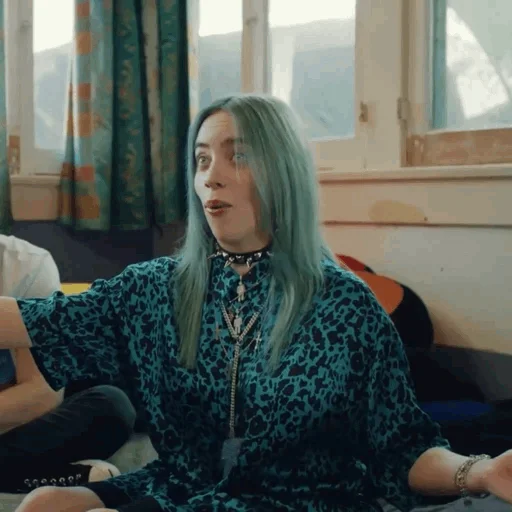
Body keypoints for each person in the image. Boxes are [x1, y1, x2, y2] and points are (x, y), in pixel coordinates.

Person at [1, 95, 512, 511]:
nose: (212, 176)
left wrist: (480, 471)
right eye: (202, 159)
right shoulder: (156, 288)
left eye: (238, 156)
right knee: (45, 503)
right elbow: (34, 320)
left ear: (282, 171)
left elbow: (404, 449)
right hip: (183, 489)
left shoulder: (345, 305)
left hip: (295, 501)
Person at [0, 234, 136, 493]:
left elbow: (42, 393)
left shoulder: (26, 265)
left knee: (113, 403)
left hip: (19, 413)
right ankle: (33, 475)